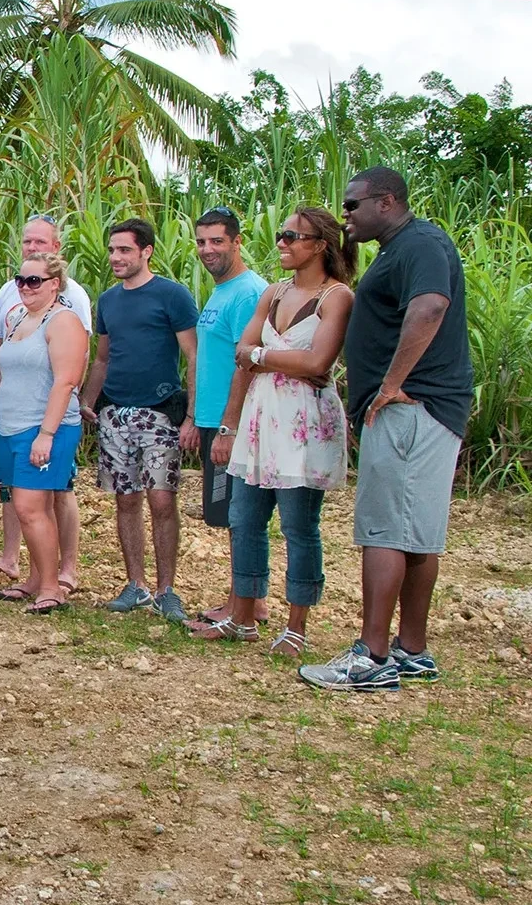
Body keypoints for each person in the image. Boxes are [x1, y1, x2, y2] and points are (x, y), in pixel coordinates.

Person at [301, 168, 471, 692]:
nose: (345, 215)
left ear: (388, 201)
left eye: (353, 205)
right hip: (424, 410)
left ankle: (371, 657)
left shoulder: (419, 243)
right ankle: (411, 651)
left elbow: (431, 306)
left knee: (385, 531)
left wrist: (390, 385)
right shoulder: (404, 248)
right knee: (416, 533)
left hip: (411, 409)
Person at [198, 208, 354, 655]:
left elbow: (318, 361)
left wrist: (261, 356)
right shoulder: (274, 292)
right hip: (259, 419)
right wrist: (229, 423)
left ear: (320, 244)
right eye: (282, 234)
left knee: (298, 525)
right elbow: (241, 355)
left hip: (303, 424)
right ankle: (243, 617)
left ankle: (296, 626)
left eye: (292, 236)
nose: (282, 242)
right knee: (245, 518)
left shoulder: (337, 297)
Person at [81, 218, 199, 623]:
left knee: (162, 499)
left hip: (159, 412)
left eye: (124, 250)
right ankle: (136, 585)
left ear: (146, 251)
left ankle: (167, 590)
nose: (116, 257)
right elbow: (102, 358)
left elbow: (193, 355)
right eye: (112, 250)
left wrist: (192, 416)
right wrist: (87, 401)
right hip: (116, 412)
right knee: (126, 500)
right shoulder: (108, 300)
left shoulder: (172, 295)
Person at [0, 214, 92, 593]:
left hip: (42, 427)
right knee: (26, 506)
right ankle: (36, 578)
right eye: (21, 280)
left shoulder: (65, 319)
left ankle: (53, 585)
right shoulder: (18, 316)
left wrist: (47, 433)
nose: (26, 286)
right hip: (11, 426)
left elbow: (67, 380)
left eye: (35, 281)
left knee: (32, 506)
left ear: (54, 283)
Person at [189, 206, 269, 623]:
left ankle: (246, 604)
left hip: (234, 423)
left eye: (217, 241)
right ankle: (245, 599)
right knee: (229, 513)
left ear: (238, 242)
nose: (208, 249)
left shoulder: (248, 292)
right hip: (212, 419)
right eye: (202, 241)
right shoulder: (222, 291)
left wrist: (228, 426)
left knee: (241, 514)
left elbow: (249, 363)